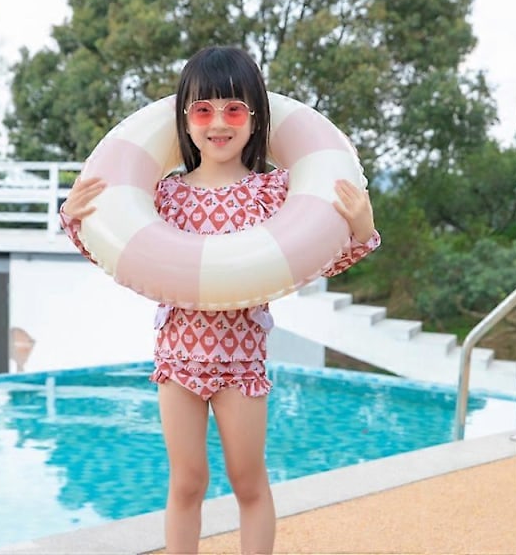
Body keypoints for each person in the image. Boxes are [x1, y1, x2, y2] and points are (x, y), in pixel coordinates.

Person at [60, 46, 380, 555]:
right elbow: (121, 257)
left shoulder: (274, 193)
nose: (217, 124)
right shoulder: (163, 196)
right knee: (187, 482)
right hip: (177, 359)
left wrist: (361, 230)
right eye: (203, 110)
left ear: (256, 119)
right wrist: (76, 218)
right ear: (184, 120)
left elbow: (317, 259)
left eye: (233, 110)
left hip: (241, 362)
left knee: (248, 481)